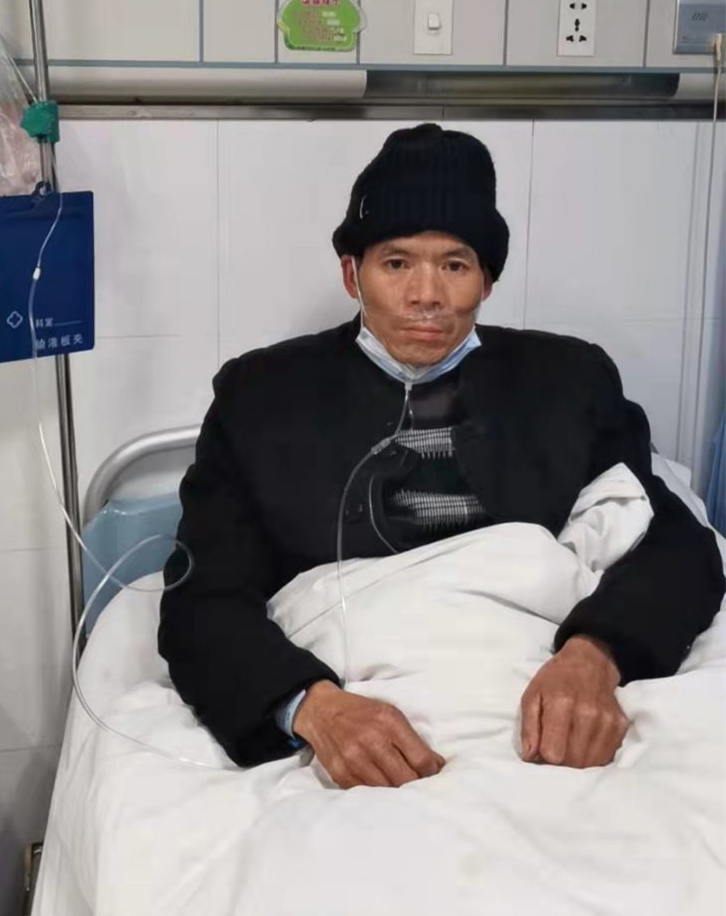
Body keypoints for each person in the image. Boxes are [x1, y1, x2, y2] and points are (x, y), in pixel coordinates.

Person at [159, 124, 723, 789]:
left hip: (541, 698)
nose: (426, 295)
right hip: (349, 701)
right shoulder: (262, 398)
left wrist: (596, 654)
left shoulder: (568, 382)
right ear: (352, 274)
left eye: (454, 265)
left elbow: (674, 544)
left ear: (487, 279)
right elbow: (202, 598)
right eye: (396, 263)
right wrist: (311, 706)